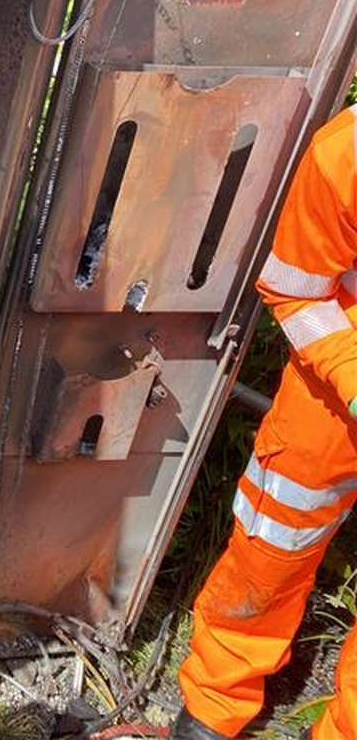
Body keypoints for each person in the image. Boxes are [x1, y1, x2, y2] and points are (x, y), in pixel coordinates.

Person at [172, 104, 357, 739]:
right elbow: (298, 287)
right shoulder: (348, 151)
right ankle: (213, 705)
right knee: (272, 542)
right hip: (338, 380)